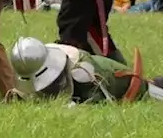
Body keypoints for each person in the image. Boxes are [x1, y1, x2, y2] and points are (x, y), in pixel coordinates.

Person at [10, 37, 163, 103]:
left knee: (151, 91)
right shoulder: (44, 55)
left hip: (136, 89)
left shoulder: (83, 74)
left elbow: (99, 106)